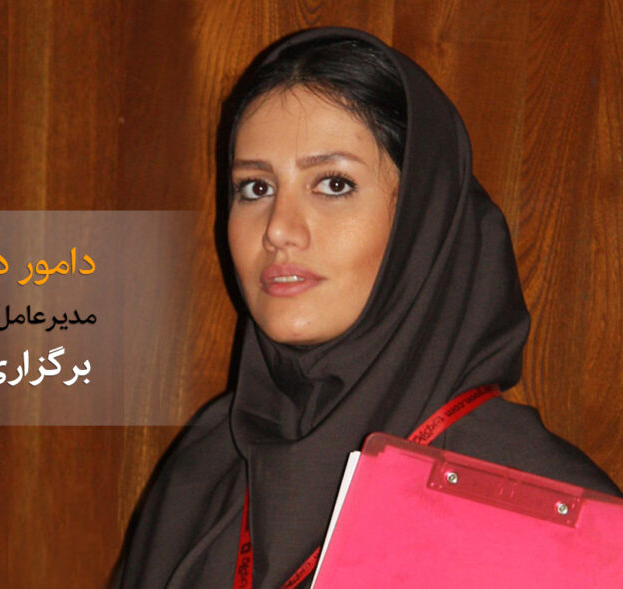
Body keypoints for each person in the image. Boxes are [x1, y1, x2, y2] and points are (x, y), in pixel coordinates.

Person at [113, 27, 620, 588]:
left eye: (333, 184)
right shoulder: (207, 467)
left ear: (420, 223)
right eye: (255, 188)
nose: (278, 229)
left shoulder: (549, 516)